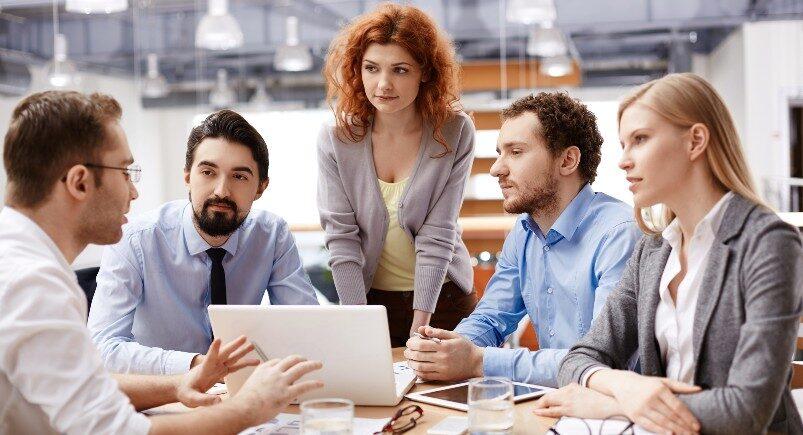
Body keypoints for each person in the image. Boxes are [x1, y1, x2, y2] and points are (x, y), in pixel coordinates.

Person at [0, 90, 323, 434]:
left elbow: (86, 389)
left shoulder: (21, 263)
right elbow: (118, 431)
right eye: (125, 171)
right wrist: (248, 409)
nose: (134, 192)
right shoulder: (33, 285)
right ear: (80, 182)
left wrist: (177, 384)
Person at [534, 73, 803, 434]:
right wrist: (627, 387)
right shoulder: (654, 249)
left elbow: (746, 409)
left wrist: (611, 405)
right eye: (624, 144)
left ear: (695, 141)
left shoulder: (769, 243)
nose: (624, 161)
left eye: (640, 140)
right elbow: (580, 357)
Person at [405, 92, 641, 387]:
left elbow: (600, 362)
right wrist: (448, 348)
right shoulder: (525, 231)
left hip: (609, 412)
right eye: (499, 153)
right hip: (552, 400)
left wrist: (478, 361)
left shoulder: (619, 234)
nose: (496, 169)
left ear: (568, 160)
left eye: (515, 152)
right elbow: (492, 316)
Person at [88, 109, 318, 375]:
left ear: (260, 188)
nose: (221, 190)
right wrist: (197, 366)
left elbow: (306, 328)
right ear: (187, 176)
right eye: (208, 172)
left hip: (241, 393)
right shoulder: (136, 240)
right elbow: (101, 348)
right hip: (162, 394)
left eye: (239, 176)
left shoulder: (272, 235)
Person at [318, 3, 477, 347]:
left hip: (443, 301)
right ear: (357, 70)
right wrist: (357, 320)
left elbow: (439, 232)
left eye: (400, 70)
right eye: (371, 68)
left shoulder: (453, 130)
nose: (383, 84)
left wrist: (421, 324)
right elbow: (341, 238)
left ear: (425, 72)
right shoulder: (336, 139)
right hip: (368, 303)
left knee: (446, 399)